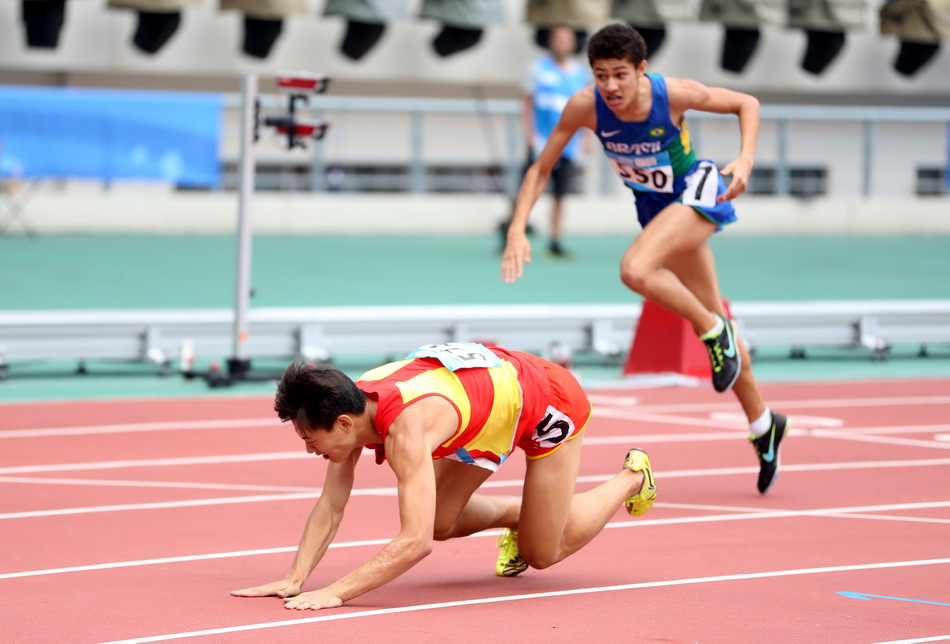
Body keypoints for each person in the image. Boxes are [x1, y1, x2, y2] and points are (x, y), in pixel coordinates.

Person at [501, 24, 788, 495]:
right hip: (656, 211)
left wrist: (747, 159)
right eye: (600, 75)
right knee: (717, 320)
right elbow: (541, 167)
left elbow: (746, 103)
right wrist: (517, 226)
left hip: (697, 191)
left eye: (620, 74)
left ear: (641, 70)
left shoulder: (672, 94)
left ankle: (712, 333)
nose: (610, 86)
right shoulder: (584, 106)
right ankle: (763, 423)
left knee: (635, 270)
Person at [231, 342, 657, 611]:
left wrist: (336, 591)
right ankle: (524, 516)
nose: (309, 449)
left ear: (344, 424)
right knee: (439, 518)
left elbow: (416, 544)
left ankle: (632, 478)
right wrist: (296, 578)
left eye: (310, 440)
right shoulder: (353, 403)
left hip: (546, 402)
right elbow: (331, 504)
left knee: (542, 551)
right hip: (485, 405)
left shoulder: (406, 431)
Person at [502, 25, 590, 258]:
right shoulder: (536, 69)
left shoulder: (580, 73)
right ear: (550, 42)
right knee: (527, 188)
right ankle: (513, 232)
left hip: (568, 145)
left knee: (561, 194)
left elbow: (587, 109)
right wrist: (530, 135)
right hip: (542, 141)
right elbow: (527, 103)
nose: (562, 44)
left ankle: (555, 240)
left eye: (567, 39)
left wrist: (587, 137)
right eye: (558, 39)